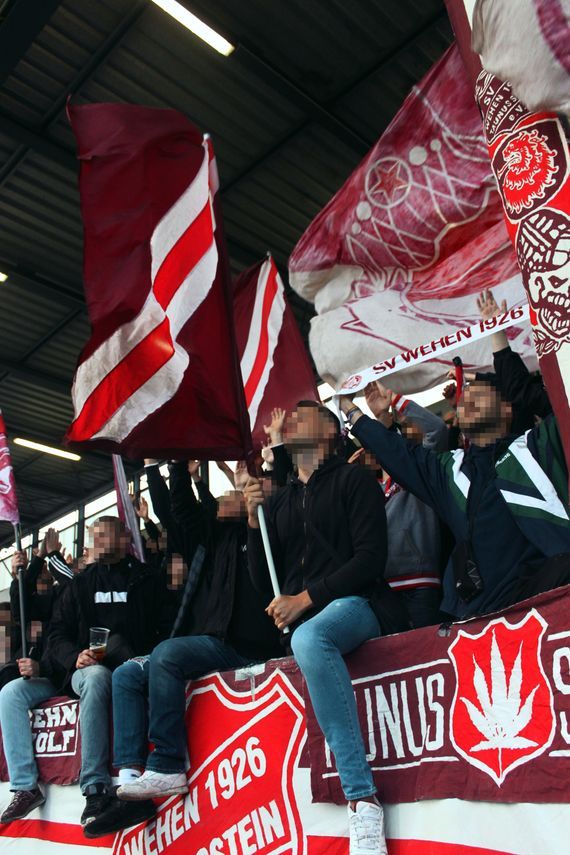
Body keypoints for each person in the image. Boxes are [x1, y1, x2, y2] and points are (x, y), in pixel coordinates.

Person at [84, 462, 281, 838]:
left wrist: (256, 505)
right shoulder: (216, 537)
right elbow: (180, 509)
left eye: (235, 492)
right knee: (126, 673)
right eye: (225, 493)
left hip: (246, 649)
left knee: (167, 654)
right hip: (212, 644)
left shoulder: (272, 531)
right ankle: (130, 786)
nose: (226, 496)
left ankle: (168, 763)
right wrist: (175, 466)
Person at [244, 400, 397, 855]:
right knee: (307, 636)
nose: (291, 421)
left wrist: (304, 601)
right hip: (305, 623)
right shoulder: (280, 501)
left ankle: (361, 799)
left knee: (310, 636)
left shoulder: (354, 480)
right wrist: (253, 524)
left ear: (331, 432)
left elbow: (370, 560)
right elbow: (264, 582)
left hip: (359, 606)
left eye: (304, 414)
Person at [340, 379, 570, 621]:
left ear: (506, 409)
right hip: (482, 612)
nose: (468, 400)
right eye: (463, 400)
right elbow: (398, 453)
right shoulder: (450, 470)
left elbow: (560, 392)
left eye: (479, 395)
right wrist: (349, 408)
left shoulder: (538, 445)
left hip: (550, 592)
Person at [0, 516, 171, 829]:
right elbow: (56, 633)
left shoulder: (148, 579)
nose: (98, 541)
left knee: (98, 676)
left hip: (129, 668)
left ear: (125, 537)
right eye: (95, 535)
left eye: (106, 534)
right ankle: (25, 787)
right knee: (10, 692)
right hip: (75, 670)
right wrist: (74, 656)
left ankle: (95, 788)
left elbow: (165, 625)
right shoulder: (80, 584)